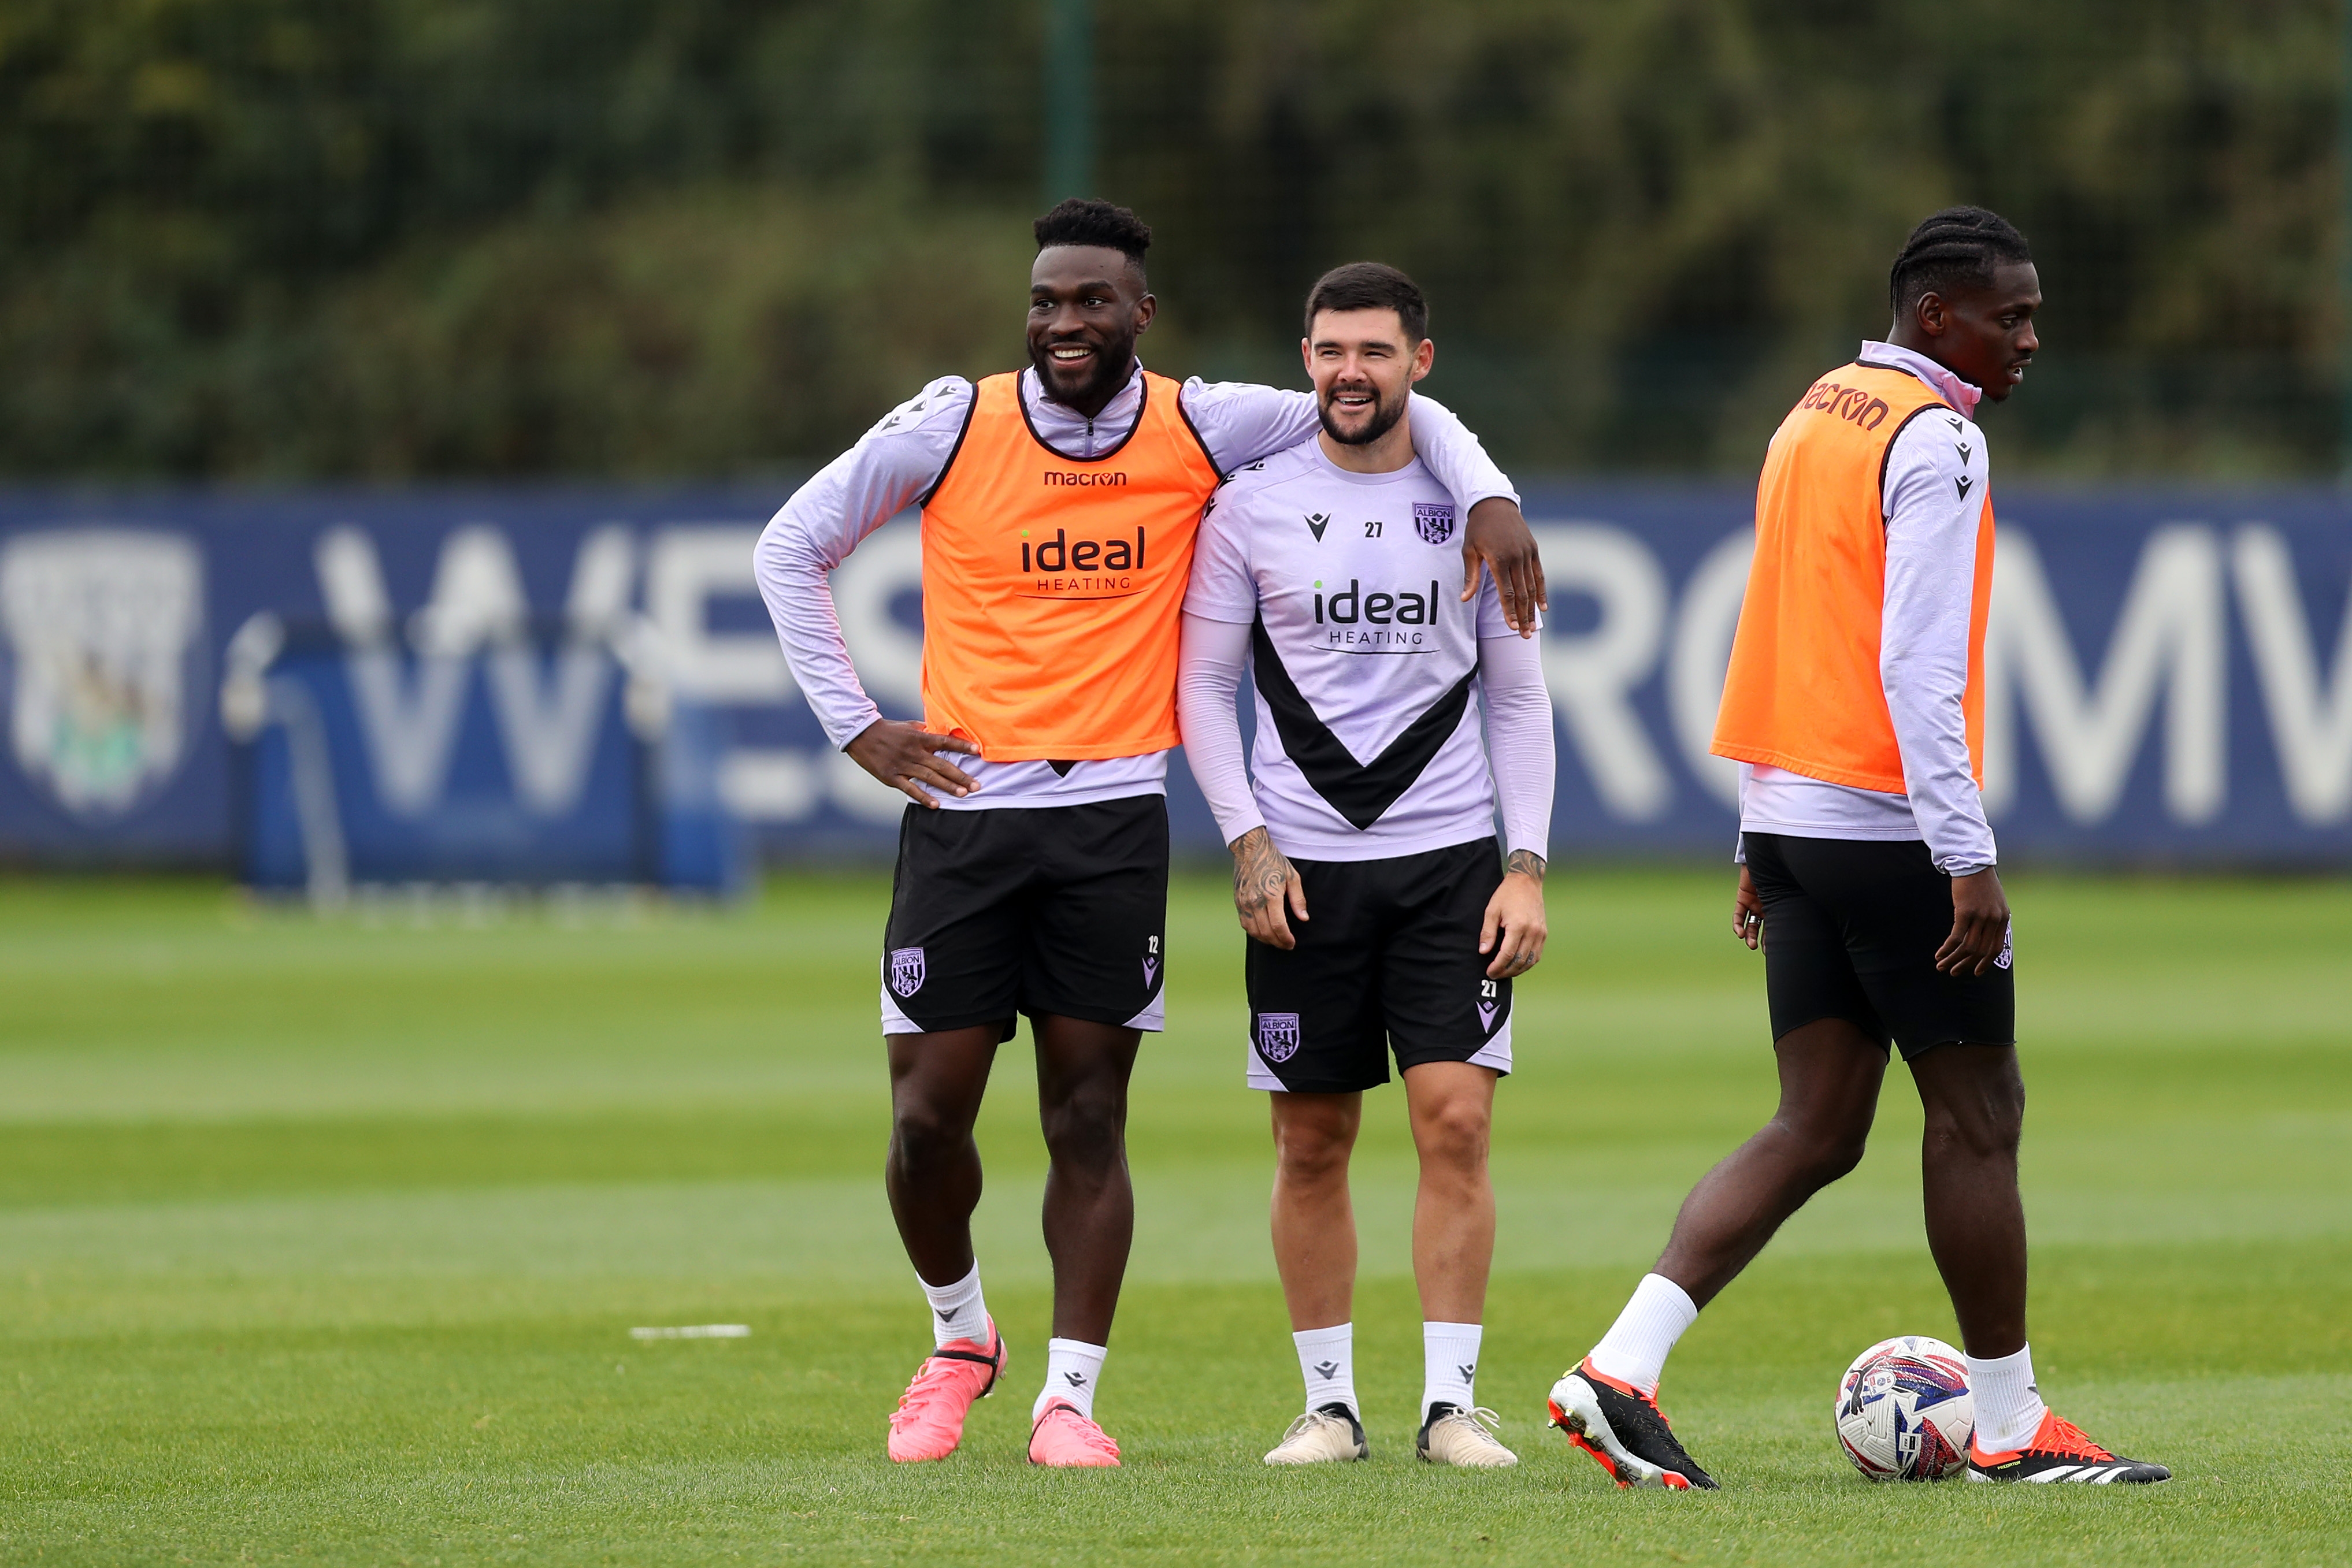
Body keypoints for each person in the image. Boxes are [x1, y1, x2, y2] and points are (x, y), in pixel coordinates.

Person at [755, 199, 1547, 1469]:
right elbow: (790, 544)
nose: (1064, 324)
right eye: (1045, 302)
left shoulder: (1203, 421)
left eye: (1090, 303)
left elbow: (1386, 402)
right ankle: (961, 1335)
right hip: (963, 815)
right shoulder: (953, 419)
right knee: (924, 1122)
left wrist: (1490, 495)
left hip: (1112, 821)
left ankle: (1068, 1398)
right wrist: (856, 728)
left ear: (1140, 313)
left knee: (1086, 1118)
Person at [1542, 208, 2169, 1489]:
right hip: (1885, 825)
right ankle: (2009, 1428)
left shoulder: (1817, 407)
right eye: (2013, 315)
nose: (2031, 338)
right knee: (1980, 1114)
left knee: (1819, 1122)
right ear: (1936, 316)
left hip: (1791, 814)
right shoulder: (1936, 439)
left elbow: (1777, 618)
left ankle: (1616, 1368)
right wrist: (1966, 854)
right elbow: (1910, 666)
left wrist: (1754, 833)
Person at [1177, 263, 1556, 1470]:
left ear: (1419, 364)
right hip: (1300, 872)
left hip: (1449, 866)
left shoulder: (1468, 502)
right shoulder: (1248, 506)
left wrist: (1526, 864)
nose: (1352, 372)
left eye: (1376, 351)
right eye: (1331, 350)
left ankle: (1452, 1406)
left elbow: (1517, 695)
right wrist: (1244, 836)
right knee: (1311, 1140)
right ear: (1304, 359)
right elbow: (1204, 685)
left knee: (1455, 1125)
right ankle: (1327, 1406)